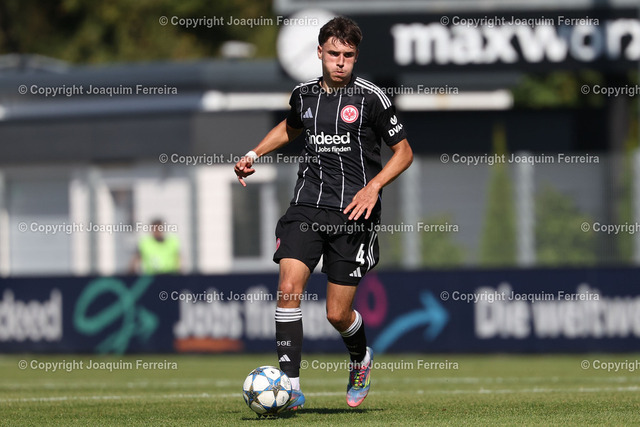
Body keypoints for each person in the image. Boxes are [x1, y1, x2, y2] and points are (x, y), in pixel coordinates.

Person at [234, 16, 412, 410]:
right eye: (333, 53)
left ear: (356, 56)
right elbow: (291, 127)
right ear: (319, 53)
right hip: (306, 206)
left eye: (348, 55)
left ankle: (360, 359)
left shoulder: (371, 98)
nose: (340, 61)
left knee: (337, 313)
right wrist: (253, 154)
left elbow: (404, 153)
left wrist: (373, 186)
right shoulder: (303, 95)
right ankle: (290, 388)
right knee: (288, 288)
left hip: (354, 213)